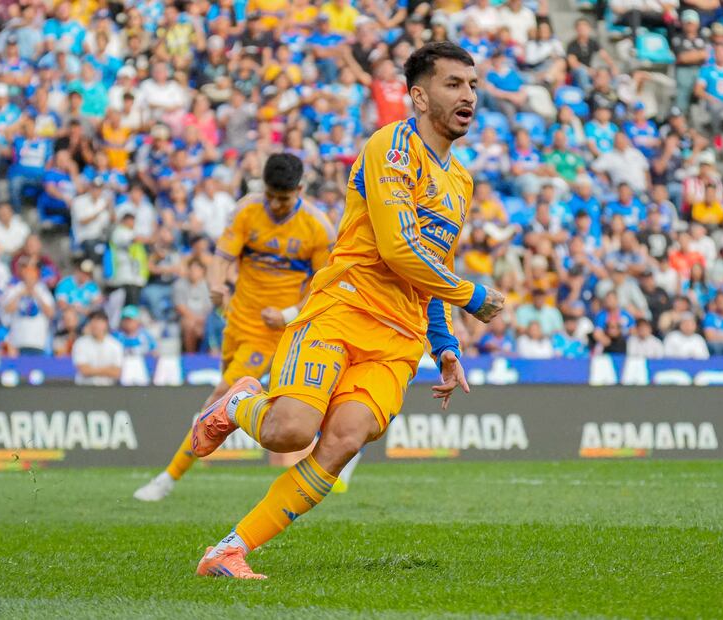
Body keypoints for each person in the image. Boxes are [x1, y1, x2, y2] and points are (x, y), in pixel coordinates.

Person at [190, 42, 504, 579]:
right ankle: (238, 403)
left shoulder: (461, 182)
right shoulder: (393, 147)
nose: (468, 95)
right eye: (454, 84)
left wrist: (446, 347)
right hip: (343, 309)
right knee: (289, 431)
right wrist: (472, 296)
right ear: (419, 96)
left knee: (341, 443)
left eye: (473, 85)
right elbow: (398, 249)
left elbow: (427, 269)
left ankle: (228, 550)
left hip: (399, 341)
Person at [134, 154, 336, 502]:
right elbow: (223, 257)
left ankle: (167, 478)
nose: (275, 204)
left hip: (274, 333)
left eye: (284, 198)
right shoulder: (246, 211)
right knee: (223, 399)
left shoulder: (318, 228)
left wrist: (290, 313)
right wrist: (217, 285)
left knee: (218, 397)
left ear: (300, 190)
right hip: (235, 321)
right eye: (271, 194)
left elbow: (325, 285)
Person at [72, 309, 123, 386]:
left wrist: (93, 370)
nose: (95, 324)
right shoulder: (80, 343)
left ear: (106, 323)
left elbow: (117, 372)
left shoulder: (115, 345)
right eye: (92, 321)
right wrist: (107, 370)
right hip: (85, 388)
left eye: (98, 321)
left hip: (109, 389)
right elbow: (84, 370)